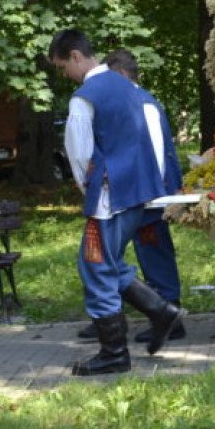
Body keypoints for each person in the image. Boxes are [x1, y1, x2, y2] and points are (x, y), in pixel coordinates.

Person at [49, 29, 184, 376]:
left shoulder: (85, 97)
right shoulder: (130, 88)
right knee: (105, 263)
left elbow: (78, 154)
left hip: (108, 196)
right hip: (137, 192)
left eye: (64, 66)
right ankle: (160, 311)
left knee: (95, 267)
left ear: (76, 56)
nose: (66, 75)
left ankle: (114, 352)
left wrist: (88, 190)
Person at [77, 48, 186, 344]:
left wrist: (155, 191)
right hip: (133, 187)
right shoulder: (130, 100)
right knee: (110, 253)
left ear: (122, 74)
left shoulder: (143, 103)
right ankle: (115, 316)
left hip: (146, 188)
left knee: (152, 249)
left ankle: (167, 308)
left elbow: (153, 148)